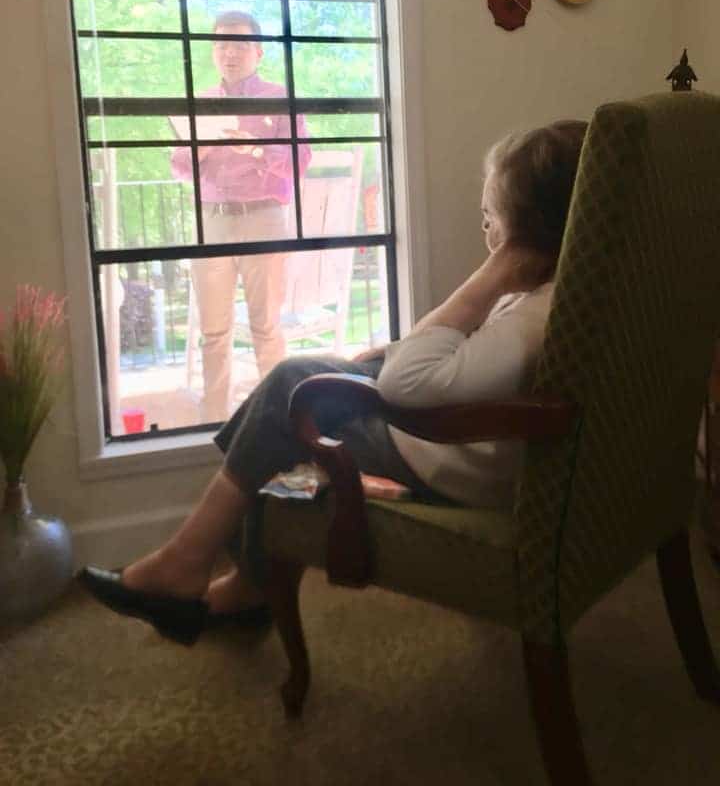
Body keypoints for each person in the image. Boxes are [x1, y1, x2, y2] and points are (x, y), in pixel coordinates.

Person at [79, 119, 587, 643]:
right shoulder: (566, 295)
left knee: (290, 394)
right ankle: (235, 585)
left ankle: (192, 566)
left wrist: (491, 275)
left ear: (525, 236)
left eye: (490, 220)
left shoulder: (535, 319)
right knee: (294, 389)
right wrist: (389, 354)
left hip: (448, 459)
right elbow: (454, 362)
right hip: (457, 428)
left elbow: (407, 386)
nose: (486, 236)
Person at [171, 10, 311, 422]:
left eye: (239, 44)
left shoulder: (279, 98)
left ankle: (278, 421)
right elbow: (179, 167)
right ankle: (214, 419)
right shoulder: (200, 102)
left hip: (264, 217)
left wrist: (256, 148)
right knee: (213, 332)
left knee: (266, 326)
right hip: (211, 219)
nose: (229, 53)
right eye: (221, 45)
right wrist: (200, 149)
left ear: (258, 51)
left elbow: (301, 160)